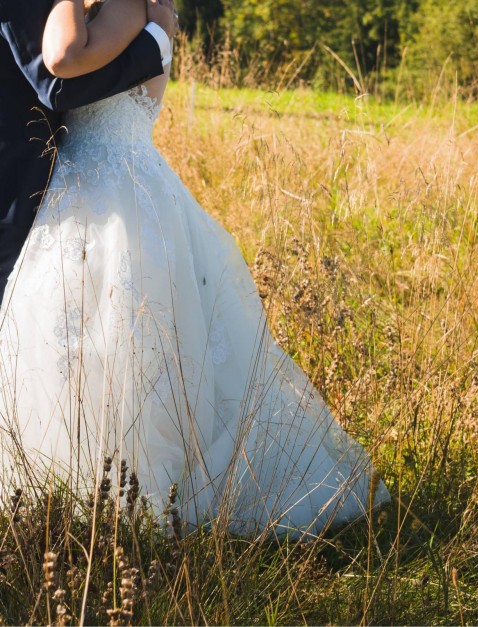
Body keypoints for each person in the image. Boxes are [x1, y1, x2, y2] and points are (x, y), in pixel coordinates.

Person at [0, 0, 390, 540]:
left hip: (110, 196)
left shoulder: (127, 6)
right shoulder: (138, 13)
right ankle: (72, 492)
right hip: (96, 190)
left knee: (127, 351)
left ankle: (130, 499)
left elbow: (62, 61)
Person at [0, 0, 177, 304]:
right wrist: (156, 39)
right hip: (22, 176)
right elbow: (59, 85)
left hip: (100, 190)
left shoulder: (128, 7)